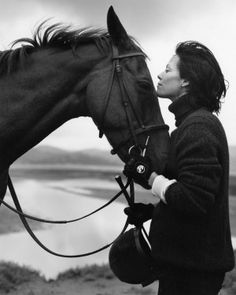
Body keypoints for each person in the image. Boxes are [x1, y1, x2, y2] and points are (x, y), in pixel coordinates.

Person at [123, 41, 235, 295]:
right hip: (188, 267)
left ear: (186, 82)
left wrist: (150, 177)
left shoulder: (198, 127)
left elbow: (193, 199)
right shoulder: (190, 124)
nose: (160, 75)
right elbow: (193, 198)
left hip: (194, 273)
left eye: (168, 69)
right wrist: (154, 212)